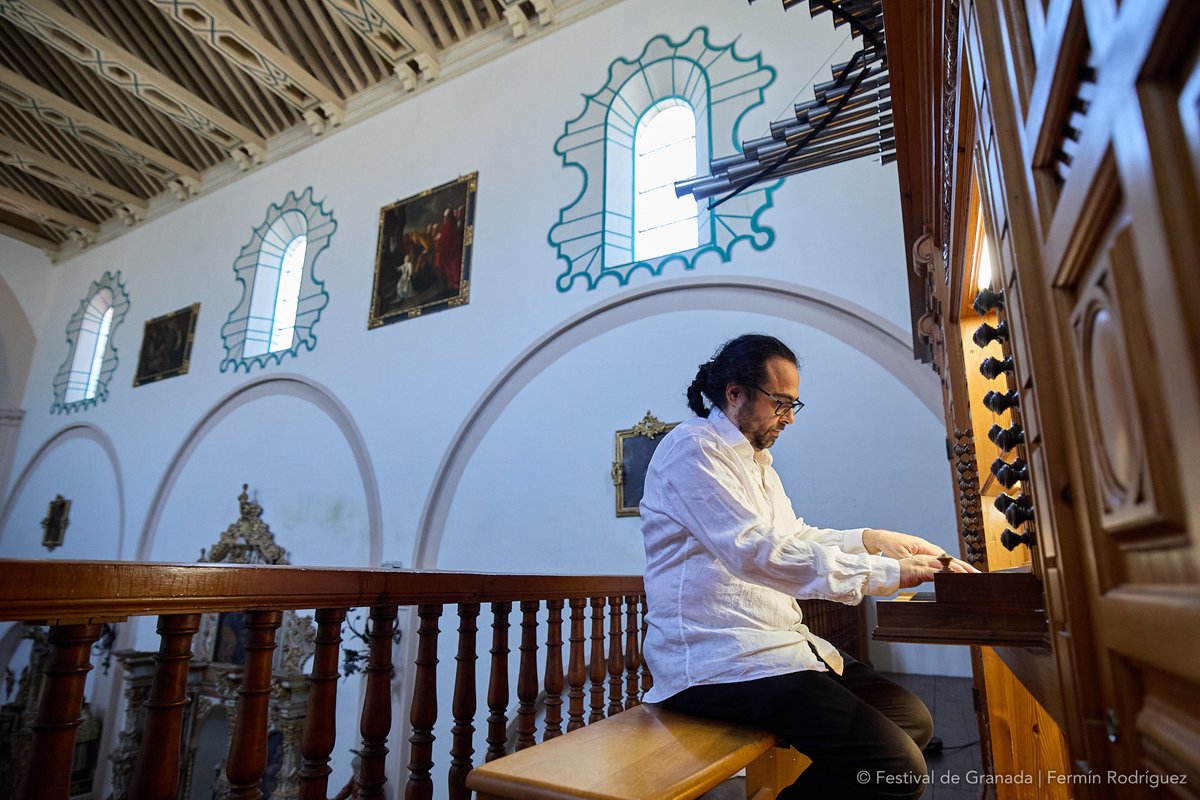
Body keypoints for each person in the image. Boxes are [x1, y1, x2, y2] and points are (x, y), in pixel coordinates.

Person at [640, 333, 977, 799]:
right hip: (716, 662)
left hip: (772, 650)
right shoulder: (693, 449)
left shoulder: (759, 463)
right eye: (780, 403)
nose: (790, 419)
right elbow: (755, 551)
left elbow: (794, 538)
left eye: (795, 405)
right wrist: (891, 575)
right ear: (735, 393)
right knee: (895, 767)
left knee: (911, 720)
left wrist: (873, 541)